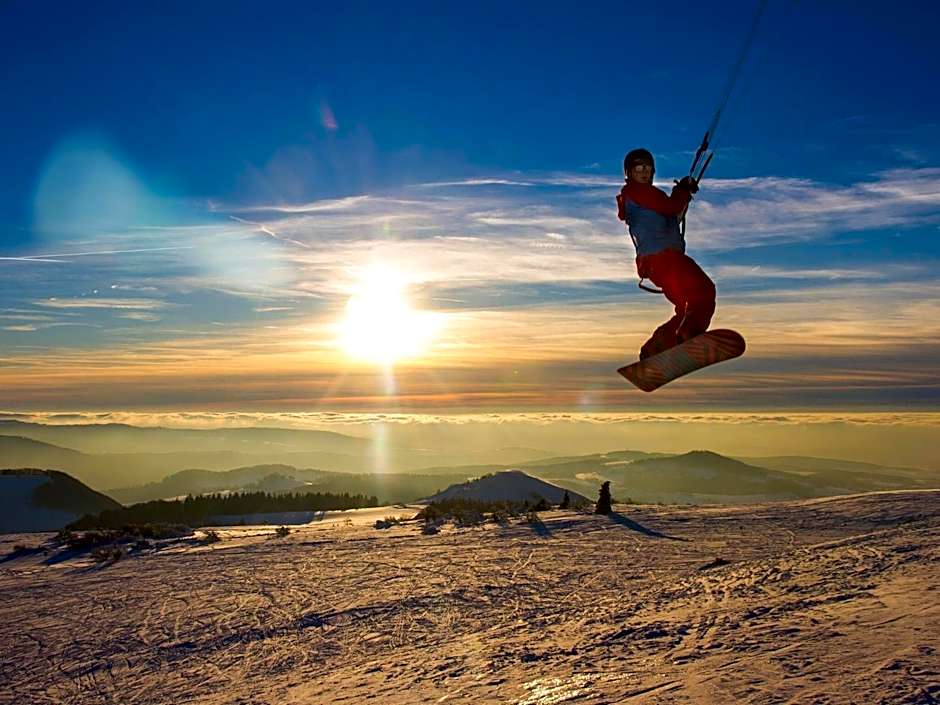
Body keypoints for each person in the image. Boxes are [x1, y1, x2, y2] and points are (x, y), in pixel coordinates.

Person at [616, 148, 716, 360]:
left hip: (656, 265)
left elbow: (671, 215)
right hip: (666, 261)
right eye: (638, 169)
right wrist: (682, 190)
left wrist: (684, 193)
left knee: (685, 308)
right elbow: (670, 206)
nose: (644, 172)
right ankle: (689, 335)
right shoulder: (639, 192)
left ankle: (656, 348)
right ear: (629, 174)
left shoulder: (639, 199)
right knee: (704, 292)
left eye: (647, 168)